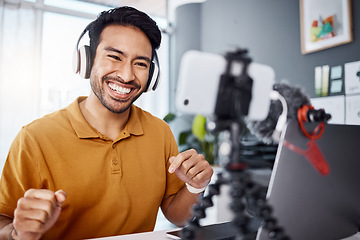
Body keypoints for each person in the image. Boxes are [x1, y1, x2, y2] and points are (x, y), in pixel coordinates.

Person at [0, 6, 213, 240]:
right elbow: (4, 221)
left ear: (152, 75)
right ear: (86, 60)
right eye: (114, 57)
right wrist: (17, 231)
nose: (127, 75)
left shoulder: (160, 132)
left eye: (141, 64)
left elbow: (176, 214)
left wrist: (195, 186)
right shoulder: (34, 138)